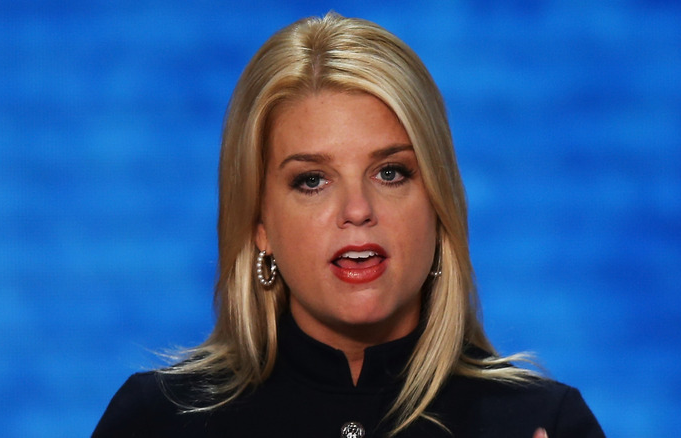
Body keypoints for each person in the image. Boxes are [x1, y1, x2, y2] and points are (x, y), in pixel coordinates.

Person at [93, 12, 605, 438]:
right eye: (312, 180)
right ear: (259, 224)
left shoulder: (542, 424)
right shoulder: (157, 420)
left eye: (391, 172)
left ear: (439, 204)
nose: (357, 209)